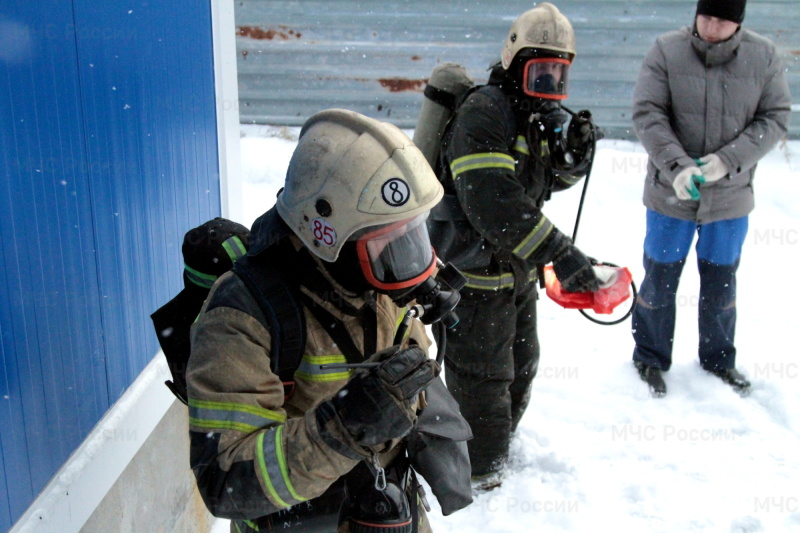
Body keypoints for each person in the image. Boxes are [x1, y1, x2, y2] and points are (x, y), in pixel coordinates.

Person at [187, 109, 471, 532]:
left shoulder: (379, 281)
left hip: (388, 512)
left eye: (414, 235)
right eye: (390, 246)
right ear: (327, 236)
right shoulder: (241, 314)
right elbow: (226, 480)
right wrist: (346, 425)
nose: (412, 269)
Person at [427, 2, 600, 489]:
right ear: (514, 61)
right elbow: (493, 201)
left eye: (557, 74)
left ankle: (492, 447)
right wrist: (561, 253)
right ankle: (479, 473)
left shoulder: (530, 113)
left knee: (522, 367)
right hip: (476, 274)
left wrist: (573, 158)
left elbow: (537, 182)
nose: (549, 86)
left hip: (517, 270)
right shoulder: (484, 112)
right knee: (483, 379)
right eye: (540, 71)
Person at [630, 0, 791, 397]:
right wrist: (678, 166)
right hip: (671, 194)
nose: (712, 26)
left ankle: (719, 360)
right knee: (660, 278)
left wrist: (725, 162)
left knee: (721, 282)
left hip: (730, 198)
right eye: (707, 16)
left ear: (738, 23)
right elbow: (648, 113)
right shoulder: (666, 50)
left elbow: (774, 117)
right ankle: (649, 357)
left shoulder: (764, 56)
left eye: (723, 20)